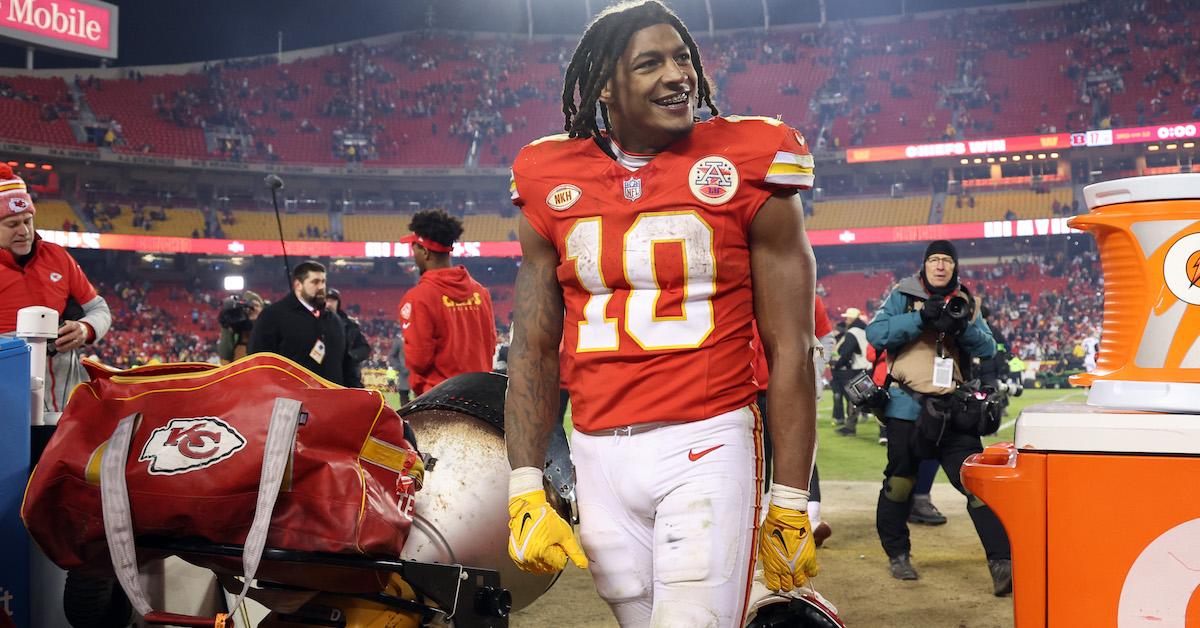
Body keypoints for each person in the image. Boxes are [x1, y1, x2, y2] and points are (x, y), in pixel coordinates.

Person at [504, 2, 820, 624]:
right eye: (650, 63)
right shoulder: (547, 173)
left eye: (683, 58)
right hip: (596, 450)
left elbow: (794, 347)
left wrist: (789, 496)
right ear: (602, 86)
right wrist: (524, 482)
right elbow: (533, 346)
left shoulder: (750, 157)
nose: (678, 75)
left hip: (706, 438)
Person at [866, 240, 1012, 596]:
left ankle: (1002, 563)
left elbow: (989, 348)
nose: (941, 265)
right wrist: (920, 318)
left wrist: (962, 326)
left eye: (947, 259)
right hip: (905, 406)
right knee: (899, 483)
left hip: (953, 407)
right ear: (926, 265)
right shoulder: (903, 294)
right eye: (935, 259)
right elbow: (876, 334)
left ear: (954, 266)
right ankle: (898, 554)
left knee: (975, 484)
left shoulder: (967, 300)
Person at [0, 164, 111, 412]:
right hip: (7, 408)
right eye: (12, 224)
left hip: (63, 407)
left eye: (28, 221)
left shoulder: (57, 257)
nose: (24, 231)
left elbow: (99, 309)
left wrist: (85, 328)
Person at [396, 209, 496, 396]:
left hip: (440, 402)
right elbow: (490, 346)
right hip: (481, 401)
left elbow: (418, 360)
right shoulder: (481, 292)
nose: (412, 254)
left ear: (425, 252)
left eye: (414, 247)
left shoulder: (418, 298)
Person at [248, 260, 351, 385]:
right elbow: (259, 361)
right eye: (315, 282)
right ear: (298, 285)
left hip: (331, 399)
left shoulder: (334, 320)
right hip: (289, 400)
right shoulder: (273, 315)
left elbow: (346, 364)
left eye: (323, 281)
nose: (321, 287)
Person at [832, 307, 869, 437]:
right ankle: (851, 426)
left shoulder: (852, 332)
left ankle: (850, 427)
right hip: (869, 368)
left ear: (852, 319)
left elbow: (847, 352)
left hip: (859, 369)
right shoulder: (865, 330)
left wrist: (838, 364)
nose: (846, 320)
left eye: (847, 317)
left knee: (856, 398)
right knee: (863, 398)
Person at [325, 288, 370, 388]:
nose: (328, 304)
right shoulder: (314, 322)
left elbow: (364, 348)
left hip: (348, 377)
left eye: (332, 300)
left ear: (338, 303)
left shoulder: (350, 325)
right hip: (323, 375)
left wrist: (350, 357)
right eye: (326, 300)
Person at [216, 290, 264, 364]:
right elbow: (225, 355)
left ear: (262, 309)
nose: (252, 309)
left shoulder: (268, 325)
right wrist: (226, 328)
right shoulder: (238, 326)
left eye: (256, 305)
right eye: (249, 306)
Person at [387, 333, 411, 403]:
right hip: (404, 374)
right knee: (404, 399)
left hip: (420, 373)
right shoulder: (399, 340)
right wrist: (399, 366)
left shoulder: (420, 337)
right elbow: (391, 356)